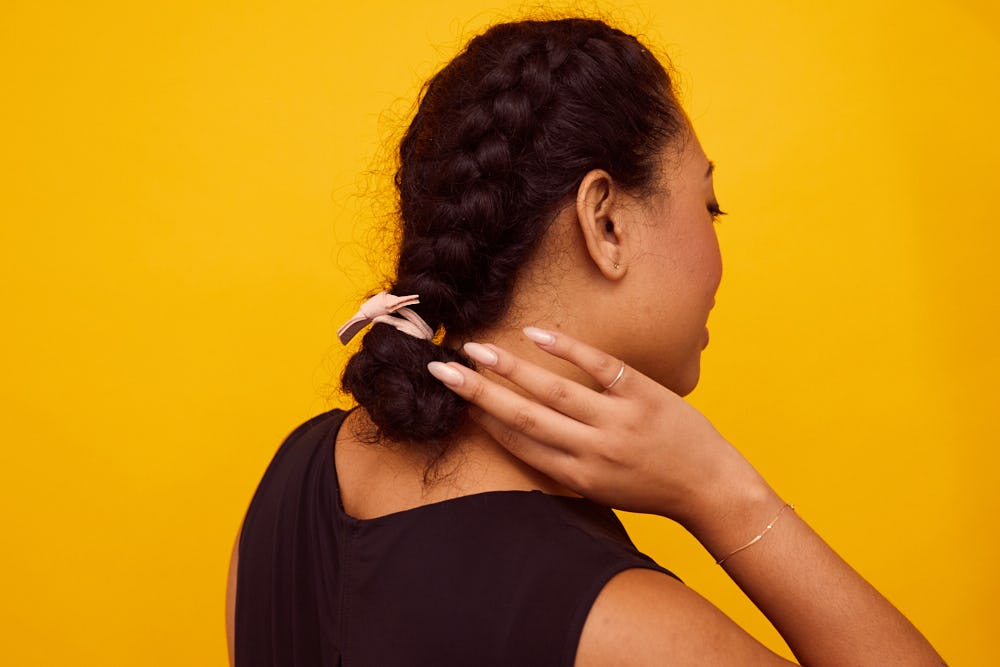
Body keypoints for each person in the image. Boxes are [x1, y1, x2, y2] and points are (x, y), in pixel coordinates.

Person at [227, 17, 945, 666]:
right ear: (605, 223)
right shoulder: (623, 625)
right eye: (708, 202)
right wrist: (723, 491)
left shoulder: (288, 491)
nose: (719, 249)